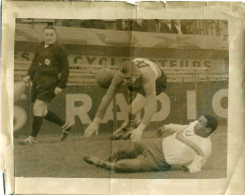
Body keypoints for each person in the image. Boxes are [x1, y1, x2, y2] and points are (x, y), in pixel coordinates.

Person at [83, 114, 218, 173]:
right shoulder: (194, 125)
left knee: (124, 166)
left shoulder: (205, 148)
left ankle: (105, 165)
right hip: (156, 143)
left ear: (207, 130)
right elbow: (183, 128)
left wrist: (189, 168)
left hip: (159, 160)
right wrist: (167, 127)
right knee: (127, 149)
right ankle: (108, 159)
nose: (197, 123)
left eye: (201, 122)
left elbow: (196, 167)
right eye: (199, 120)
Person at [84, 58, 167, 142]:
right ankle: (130, 124)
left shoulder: (148, 76)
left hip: (158, 81)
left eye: (128, 78)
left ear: (136, 75)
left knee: (133, 110)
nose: (125, 81)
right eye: (124, 78)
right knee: (132, 110)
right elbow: (107, 96)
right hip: (141, 71)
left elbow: (152, 106)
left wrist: (141, 128)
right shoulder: (120, 74)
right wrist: (96, 121)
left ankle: (131, 124)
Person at [19, 26, 71, 145]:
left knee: (37, 108)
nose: (49, 37)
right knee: (42, 111)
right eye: (46, 34)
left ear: (55, 35)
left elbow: (65, 69)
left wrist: (61, 85)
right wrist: (29, 75)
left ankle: (32, 138)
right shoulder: (40, 46)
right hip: (38, 81)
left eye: (51, 34)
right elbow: (34, 63)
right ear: (44, 35)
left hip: (50, 82)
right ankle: (66, 125)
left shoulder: (60, 49)